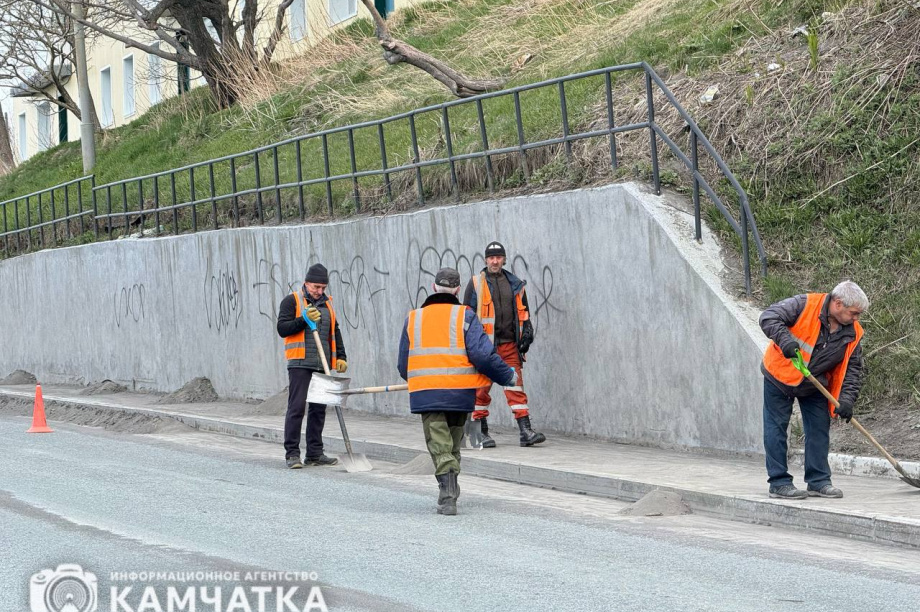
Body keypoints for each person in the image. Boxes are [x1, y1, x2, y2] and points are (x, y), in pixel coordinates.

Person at [398, 268, 517, 515]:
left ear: (433, 288)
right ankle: (450, 490)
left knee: (439, 442)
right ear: (457, 290)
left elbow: (403, 364)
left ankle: (448, 493)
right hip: (459, 393)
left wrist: (420, 377)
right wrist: (507, 375)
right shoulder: (466, 316)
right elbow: (483, 356)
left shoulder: (413, 318)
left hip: (427, 392)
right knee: (452, 442)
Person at [759, 280, 867, 499]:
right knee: (776, 428)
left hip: (815, 382)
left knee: (819, 429)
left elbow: (852, 368)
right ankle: (779, 482)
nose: (856, 318)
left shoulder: (853, 332)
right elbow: (768, 317)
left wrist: (846, 400)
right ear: (837, 304)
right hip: (781, 375)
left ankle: (818, 481)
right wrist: (786, 341)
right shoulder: (803, 304)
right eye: (853, 313)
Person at [463, 241, 545, 448]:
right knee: (480, 390)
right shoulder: (475, 283)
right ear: (485, 260)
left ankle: (525, 431)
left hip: (509, 346)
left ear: (504, 259)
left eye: (498, 257)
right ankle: (478, 435)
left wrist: (527, 331)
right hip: (484, 349)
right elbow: (465, 316)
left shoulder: (515, 283)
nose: (495, 261)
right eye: (491, 257)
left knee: (515, 386)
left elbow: (523, 313)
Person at [277, 263, 348, 469]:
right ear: (306, 283)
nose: (319, 291)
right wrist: (303, 319)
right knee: (297, 408)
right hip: (300, 363)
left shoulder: (328, 305)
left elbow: (335, 332)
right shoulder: (292, 301)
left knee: (318, 410)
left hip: (322, 364)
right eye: (316, 287)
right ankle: (292, 454)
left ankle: (315, 453)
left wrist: (341, 357)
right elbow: (282, 328)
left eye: (323, 288)